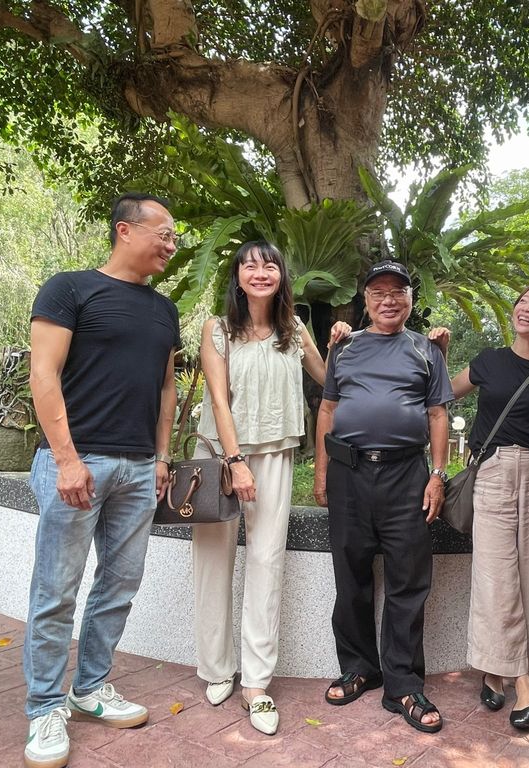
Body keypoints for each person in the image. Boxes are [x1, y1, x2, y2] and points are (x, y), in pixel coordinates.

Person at [23, 193, 180, 768]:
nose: (171, 243)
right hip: (77, 463)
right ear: (124, 230)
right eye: (163, 233)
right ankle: (44, 707)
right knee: (56, 592)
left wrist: (161, 456)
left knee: (119, 586)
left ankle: (88, 689)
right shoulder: (68, 289)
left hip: (139, 469)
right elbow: (45, 373)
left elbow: (166, 388)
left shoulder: (164, 310)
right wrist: (65, 459)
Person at [190, 240, 336, 736]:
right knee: (213, 561)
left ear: (281, 276)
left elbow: (330, 378)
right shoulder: (217, 330)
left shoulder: (293, 330)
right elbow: (218, 398)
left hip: (275, 452)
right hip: (219, 454)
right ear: (236, 276)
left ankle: (256, 682)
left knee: (267, 562)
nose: (260, 271)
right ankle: (215, 668)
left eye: (269, 264)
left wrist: (342, 340)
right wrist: (234, 461)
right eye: (250, 264)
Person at [313, 260, 453, 733]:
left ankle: (402, 683)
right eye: (378, 291)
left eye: (398, 291)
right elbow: (328, 409)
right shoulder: (344, 346)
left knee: (408, 580)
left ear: (411, 300)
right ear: (366, 300)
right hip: (349, 475)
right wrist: (321, 472)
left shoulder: (426, 349)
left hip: (406, 477)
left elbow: (438, 415)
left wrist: (437, 475)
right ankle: (359, 667)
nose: (388, 299)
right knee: (350, 574)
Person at [433, 282, 529, 731]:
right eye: (524, 301)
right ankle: (524, 682)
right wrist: (441, 353)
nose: (528, 307)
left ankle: (495, 670)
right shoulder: (488, 362)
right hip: (491, 475)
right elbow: (439, 398)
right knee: (496, 579)